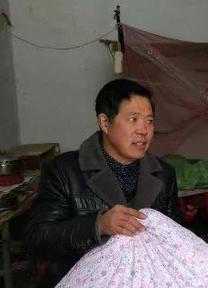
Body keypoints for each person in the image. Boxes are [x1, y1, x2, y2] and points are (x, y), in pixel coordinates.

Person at [26, 78, 180, 276]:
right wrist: (98, 225)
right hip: (85, 285)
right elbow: (37, 240)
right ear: (105, 123)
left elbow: (177, 240)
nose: (144, 130)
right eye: (133, 119)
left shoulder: (164, 175)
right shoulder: (64, 171)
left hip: (147, 284)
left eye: (149, 121)